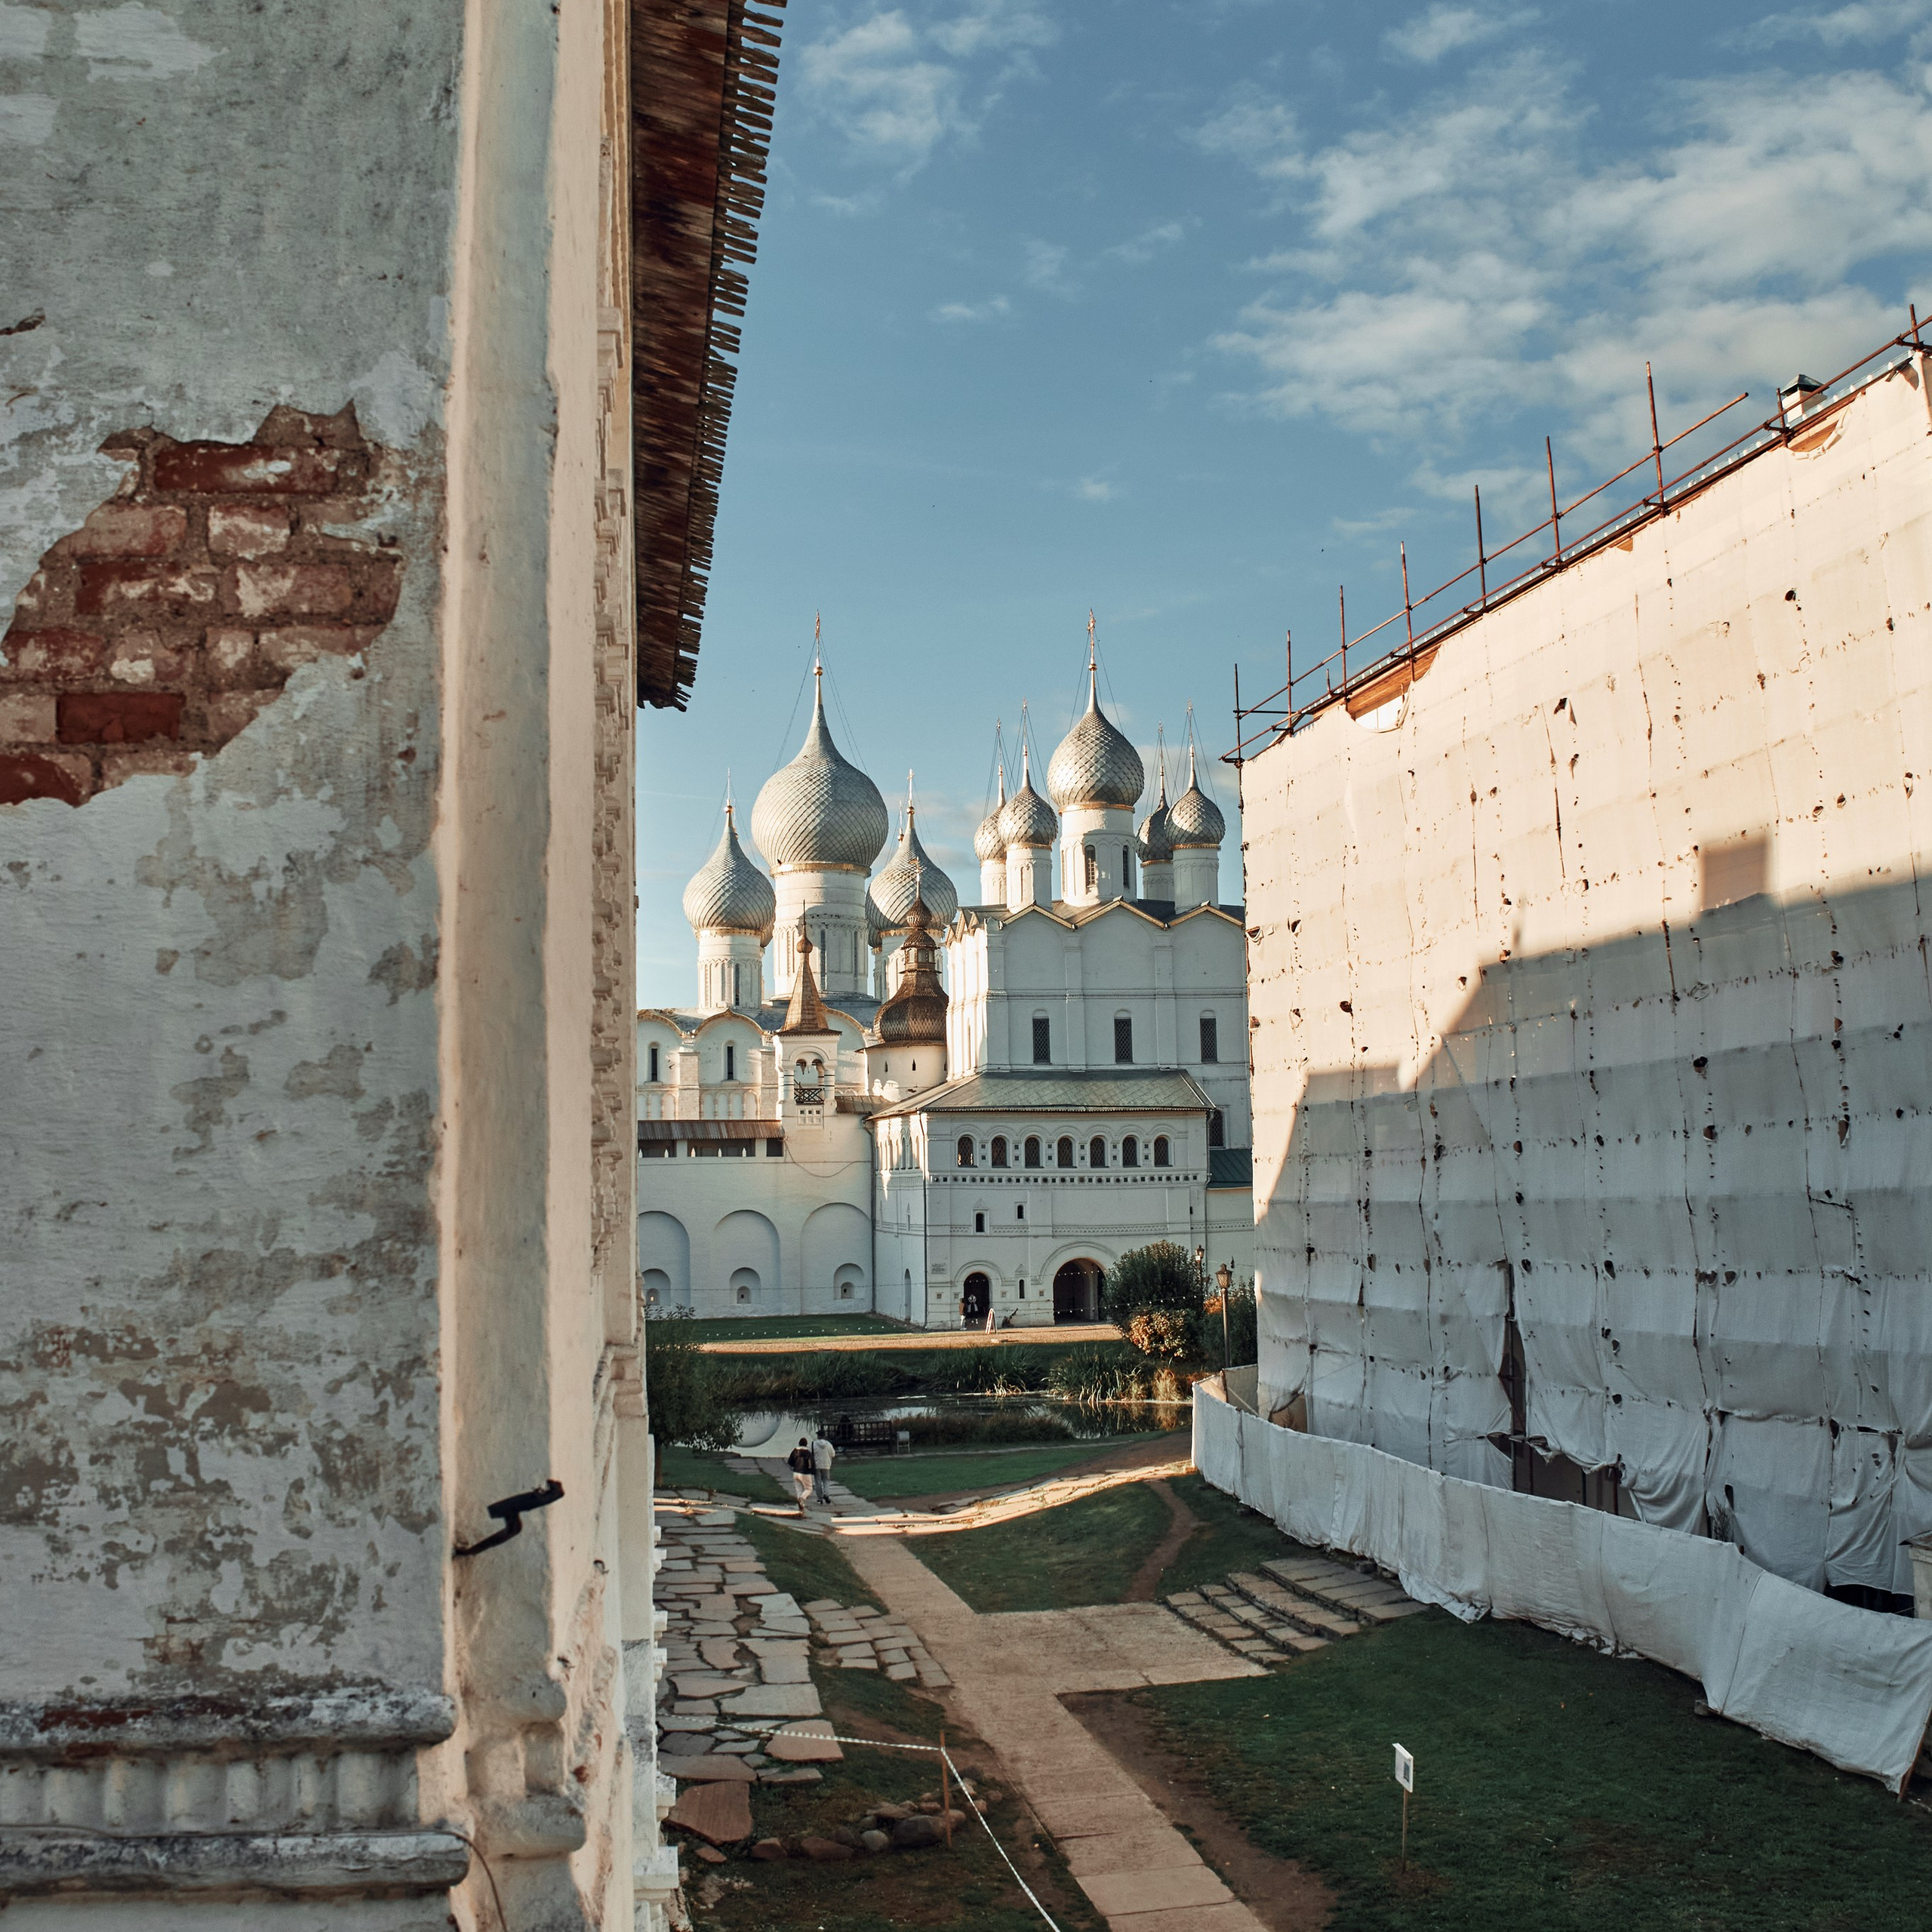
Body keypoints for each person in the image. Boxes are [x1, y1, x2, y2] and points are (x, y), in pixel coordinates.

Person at [786, 1437, 814, 1512]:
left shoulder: (795, 1451)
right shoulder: (808, 1453)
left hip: (796, 1472)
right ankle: (802, 1498)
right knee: (809, 1489)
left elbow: (790, 1462)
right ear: (806, 1444)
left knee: (799, 1490)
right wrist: (812, 1471)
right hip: (805, 1473)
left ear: (799, 1443)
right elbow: (811, 1464)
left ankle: (801, 1506)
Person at [811, 1428, 836, 1505]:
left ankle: (820, 1498)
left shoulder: (813, 1444)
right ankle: (826, 1494)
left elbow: (810, 1453)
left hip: (817, 1465)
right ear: (824, 1436)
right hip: (826, 1465)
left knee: (818, 1482)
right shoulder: (828, 1444)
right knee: (826, 1481)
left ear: (818, 1436)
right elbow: (833, 1454)